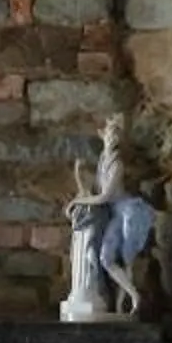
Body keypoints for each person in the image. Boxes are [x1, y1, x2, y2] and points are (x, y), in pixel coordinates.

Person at [64, 116, 154, 322]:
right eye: (111, 132)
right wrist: (78, 176)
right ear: (102, 135)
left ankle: (127, 305)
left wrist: (77, 203)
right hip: (113, 213)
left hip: (126, 212)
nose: (114, 137)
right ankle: (131, 297)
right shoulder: (103, 161)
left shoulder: (117, 164)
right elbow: (92, 192)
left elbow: (104, 196)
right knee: (106, 258)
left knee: (125, 258)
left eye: (117, 134)